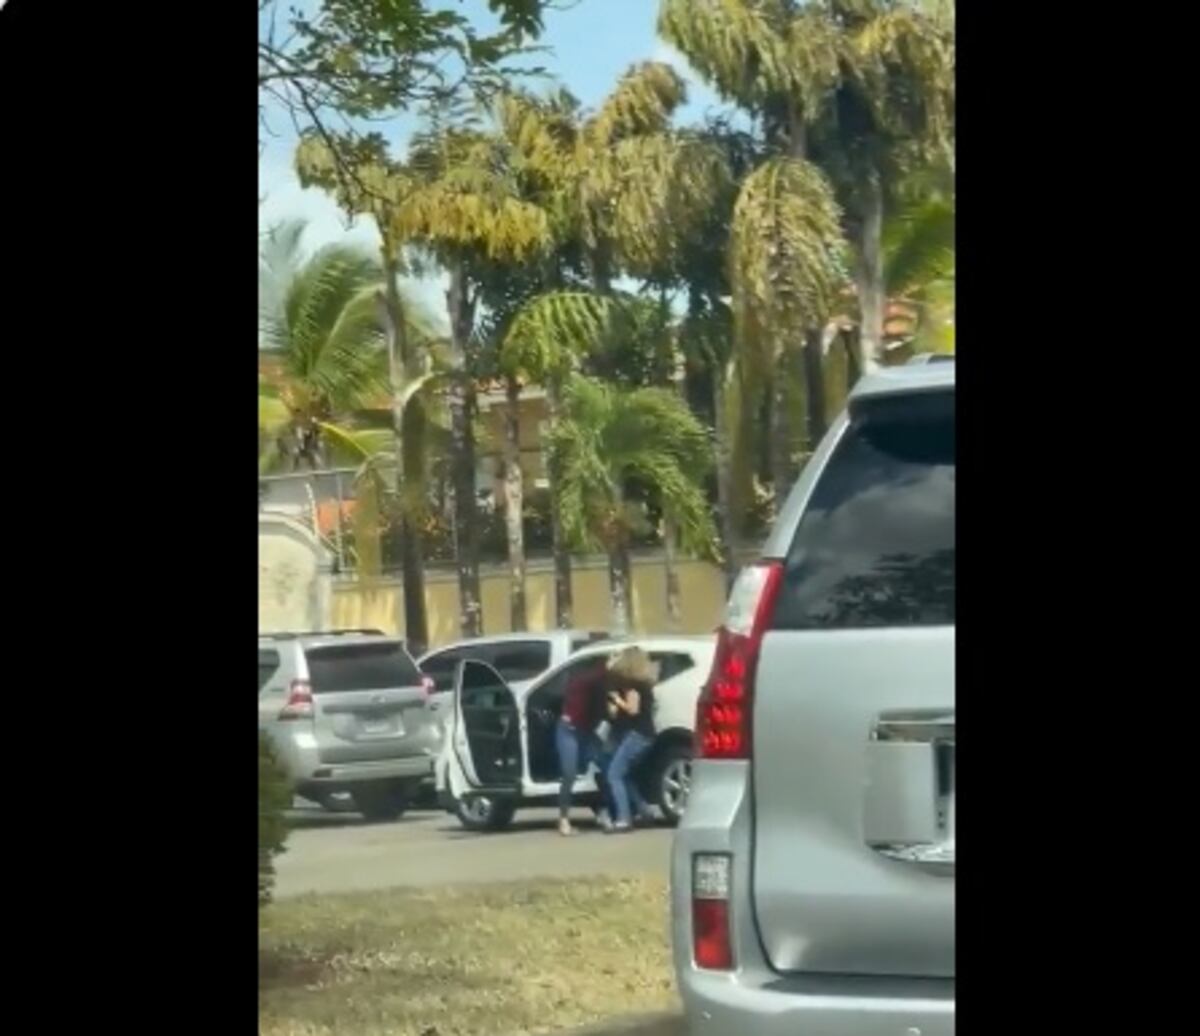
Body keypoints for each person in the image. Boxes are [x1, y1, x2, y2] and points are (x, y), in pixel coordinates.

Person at [598, 647, 659, 833]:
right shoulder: (642, 685)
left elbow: (633, 710)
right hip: (643, 735)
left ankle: (624, 819)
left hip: (637, 735)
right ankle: (644, 810)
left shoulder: (635, 687)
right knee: (624, 775)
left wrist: (617, 700)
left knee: (614, 774)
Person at [555, 659, 608, 836]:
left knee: (604, 765)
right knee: (569, 773)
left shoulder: (597, 682)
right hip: (569, 730)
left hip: (583, 730)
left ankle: (603, 810)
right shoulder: (589, 678)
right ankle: (564, 819)